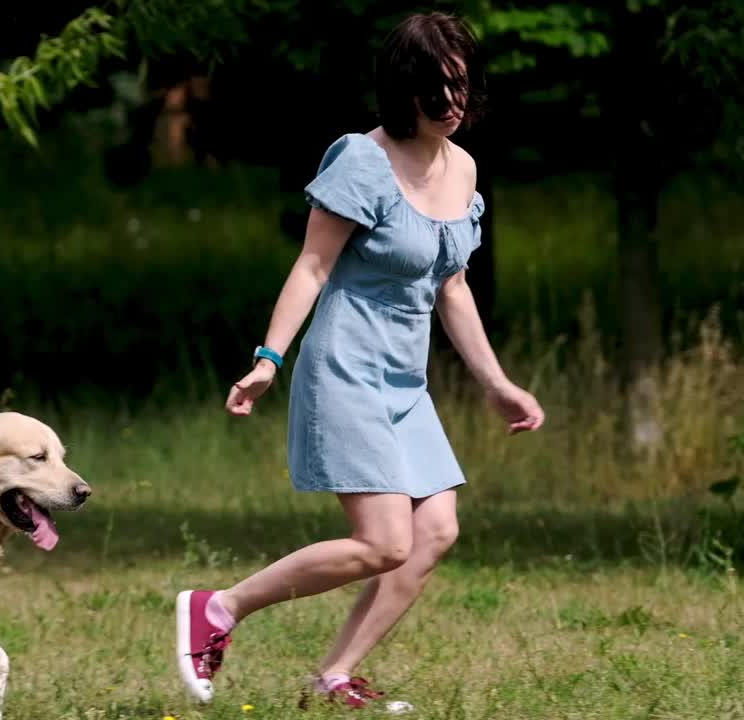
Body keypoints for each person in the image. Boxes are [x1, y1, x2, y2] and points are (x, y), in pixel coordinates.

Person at [173, 11, 545, 709]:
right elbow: (313, 266)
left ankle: (333, 674)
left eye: (462, 86)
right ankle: (217, 609)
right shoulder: (361, 159)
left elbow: (451, 287)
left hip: (406, 382)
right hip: (345, 369)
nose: (455, 104)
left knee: (436, 530)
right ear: (404, 91)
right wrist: (267, 360)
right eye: (439, 90)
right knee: (383, 542)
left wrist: (495, 383)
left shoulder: (461, 165)